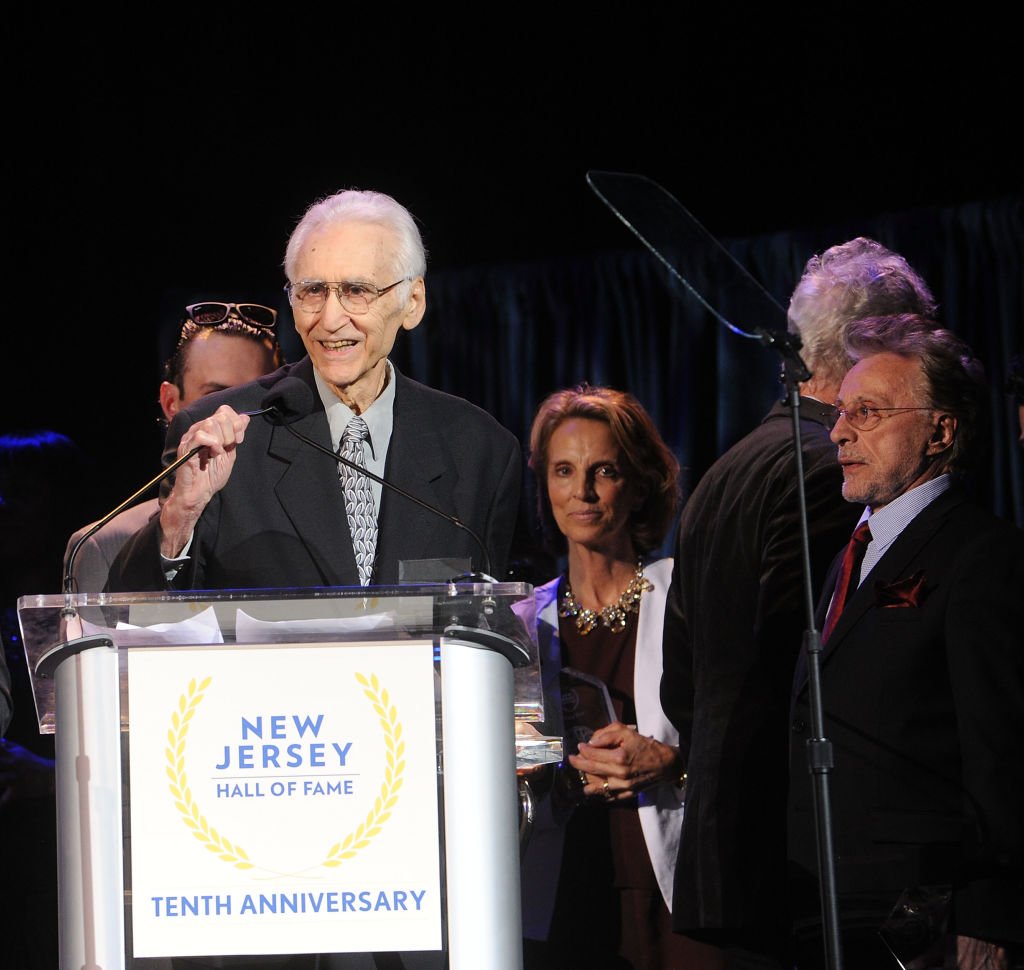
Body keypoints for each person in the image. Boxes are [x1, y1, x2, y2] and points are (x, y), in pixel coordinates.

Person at [660, 237, 939, 968]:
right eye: (910, 350)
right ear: (867, 346)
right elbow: (820, 676)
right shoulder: (832, 474)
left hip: (734, 857)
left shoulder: (724, 472)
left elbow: (680, 688)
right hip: (807, 864)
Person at [110, 188, 522, 593]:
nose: (329, 319)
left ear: (412, 302)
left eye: (356, 291)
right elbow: (130, 611)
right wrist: (180, 516)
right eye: (312, 291)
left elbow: (501, 627)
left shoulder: (480, 450)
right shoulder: (220, 437)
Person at [787, 314, 1024, 969]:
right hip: (833, 914)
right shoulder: (845, 556)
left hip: (930, 928)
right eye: (840, 412)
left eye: (868, 412)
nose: (839, 431)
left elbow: (1002, 756)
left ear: (940, 429)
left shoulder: (982, 556)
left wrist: (989, 914)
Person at [519, 384, 721, 970]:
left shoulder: (689, 595)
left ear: (639, 485)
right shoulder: (522, 622)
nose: (581, 491)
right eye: (563, 470)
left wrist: (674, 763)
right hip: (566, 894)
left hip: (680, 893)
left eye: (602, 471)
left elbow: (749, 736)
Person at [64, 302, 283, 591]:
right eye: (216, 396)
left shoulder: (305, 532)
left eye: (254, 396)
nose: (232, 417)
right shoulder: (104, 545)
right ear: (171, 403)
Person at [1, 429, 97, 970]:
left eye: (22, 491)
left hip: (66, 851)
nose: (4, 506)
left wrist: (44, 775)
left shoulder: (91, 609)